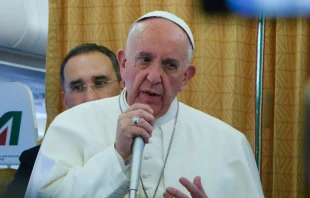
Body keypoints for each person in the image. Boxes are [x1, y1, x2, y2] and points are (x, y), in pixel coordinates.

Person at [25, 11, 264, 198]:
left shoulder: (230, 143)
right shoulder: (70, 124)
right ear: (123, 64)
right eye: (145, 60)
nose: (153, 76)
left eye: (170, 65)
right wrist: (117, 154)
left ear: (186, 77)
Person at [2, 43, 123, 198]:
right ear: (64, 100)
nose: (90, 98)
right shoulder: (36, 161)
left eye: (100, 83)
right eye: (78, 87)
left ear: (122, 87)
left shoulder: (148, 144)